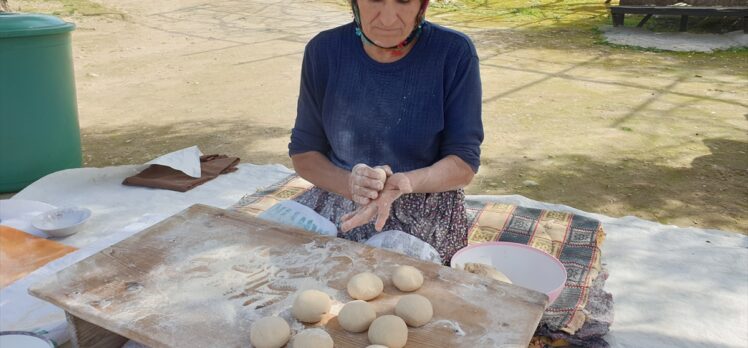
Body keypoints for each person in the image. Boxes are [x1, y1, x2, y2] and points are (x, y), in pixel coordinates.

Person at [288, 0, 483, 263]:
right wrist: (351, 185)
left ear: (422, 5)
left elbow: (463, 163)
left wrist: (408, 182)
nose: (388, 19)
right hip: (340, 193)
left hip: (424, 204)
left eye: (404, 0)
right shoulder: (323, 51)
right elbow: (304, 153)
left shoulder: (453, 53)